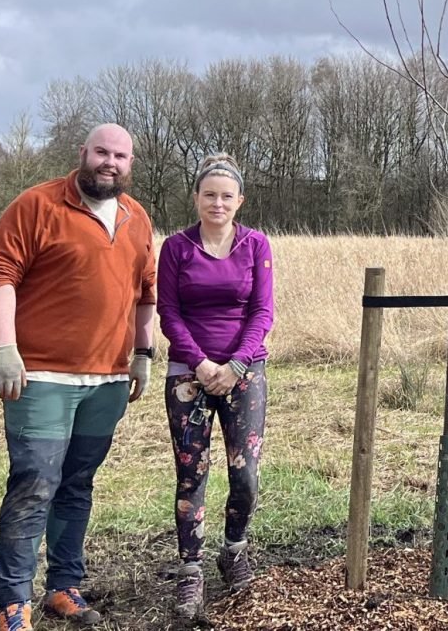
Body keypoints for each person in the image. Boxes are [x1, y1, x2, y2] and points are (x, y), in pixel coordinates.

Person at [0, 123, 157, 630]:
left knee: (77, 483)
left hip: (106, 380)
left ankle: (64, 586)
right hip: (39, 376)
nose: (110, 162)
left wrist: (142, 353)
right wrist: (4, 348)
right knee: (35, 482)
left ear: (130, 163)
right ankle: (14, 603)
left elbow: (145, 293)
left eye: (121, 156)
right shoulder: (36, 205)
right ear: (82, 154)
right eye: (102, 152)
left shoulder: (135, 216)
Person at [156, 154, 276, 622]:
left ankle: (234, 550)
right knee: (192, 474)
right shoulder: (176, 248)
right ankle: (190, 571)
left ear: (239, 200)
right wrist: (202, 363)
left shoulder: (257, 245)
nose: (218, 203)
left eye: (227, 196)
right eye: (210, 195)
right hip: (189, 375)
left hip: (245, 373)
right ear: (197, 199)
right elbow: (169, 312)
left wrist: (237, 364)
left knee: (244, 474)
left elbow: (262, 313)